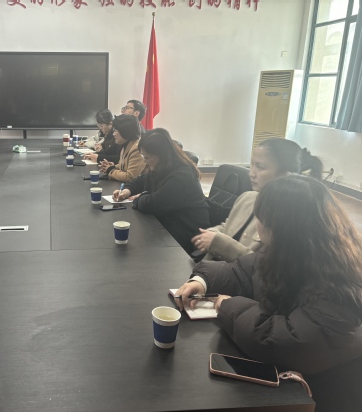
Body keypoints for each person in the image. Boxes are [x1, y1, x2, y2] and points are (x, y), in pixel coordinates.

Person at [174, 175, 362, 411]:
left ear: (279, 226)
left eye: (261, 218)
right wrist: (202, 281)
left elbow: (291, 343)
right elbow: (241, 272)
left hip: (321, 396)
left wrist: (228, 306)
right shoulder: (289, 249)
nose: (258, 224)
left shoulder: (338, 281)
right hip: (290, 380)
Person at [191, 138, 323, 262]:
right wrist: (211, 234)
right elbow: (228, 226)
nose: (251, 173)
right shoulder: (247, 198)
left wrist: (219, 243)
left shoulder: (289, 219)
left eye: (260, 167)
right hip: (210, 271)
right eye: (252, 164)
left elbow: (264, 266)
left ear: (285, 176)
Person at [112, 128, 209, 253]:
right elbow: (140, 180)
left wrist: (141, 196)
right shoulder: (160, 168)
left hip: (188, 234)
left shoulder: (182, 175)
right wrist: (127, 191)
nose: (145, 161)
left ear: (161, 155)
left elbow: (152, 204)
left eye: (147, 157)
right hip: (168, 222)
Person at [99, 114, 146, 182]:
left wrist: (110, 170)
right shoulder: (126, 144)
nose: (113, 134)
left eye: (116, 130)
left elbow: (130, 177)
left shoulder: (136, 149)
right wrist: (113, 167)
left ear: (125, 131)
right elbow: (124, 166)